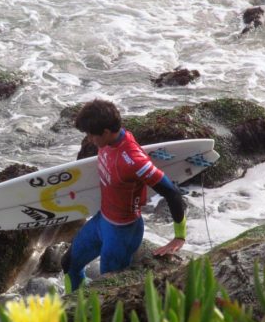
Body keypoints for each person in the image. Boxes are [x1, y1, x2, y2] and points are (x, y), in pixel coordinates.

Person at [62, 99, 187, 291]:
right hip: (102, 220)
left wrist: (179, 237)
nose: (89, 139)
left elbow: (172, 192)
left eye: (91, 135)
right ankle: (73, 306)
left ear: (105, 132)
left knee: (108, 288)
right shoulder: (107, 141)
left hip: (123, 232)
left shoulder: (134, 160)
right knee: (68, 263)